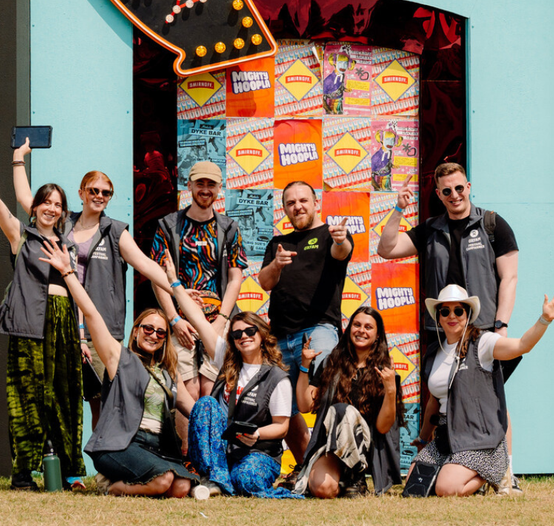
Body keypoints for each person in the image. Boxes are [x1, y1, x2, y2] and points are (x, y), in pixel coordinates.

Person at [376, 163, 521, 492]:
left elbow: (509, 278)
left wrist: (501, 325)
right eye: (446, 191)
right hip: (440, 331)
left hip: (483, 329)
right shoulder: (429, 229)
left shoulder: (493, 225)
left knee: (495, 400)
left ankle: (506, 474)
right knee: (440, 396)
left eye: (459, 188)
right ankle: (447, 456)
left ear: (468, 186)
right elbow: (386, 249)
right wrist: (398, 210)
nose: (454, 195)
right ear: (438, 195)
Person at [12, 139, 175, 427]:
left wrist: (178, 287)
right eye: (94, 191)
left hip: (102, 328)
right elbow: (28, 200)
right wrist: (18, 160)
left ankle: (104, 467)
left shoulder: (114, 231)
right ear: (82, 193)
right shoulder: (63, 223)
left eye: (106, 193)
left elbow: (146, 265)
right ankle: (65, 468)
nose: (99, 196)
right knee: (64, 398)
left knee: (104, 400)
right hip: (63, 322)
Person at [38, 238, 204, 497]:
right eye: (148, 328)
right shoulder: (120, 358)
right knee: (164, 481)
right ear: (136, 331)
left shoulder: (168, 373)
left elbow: (195, 411)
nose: (153, 335)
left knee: (182, 486)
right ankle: (113, 486)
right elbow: (91, 314)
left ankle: (139, 483)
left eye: (160, 333)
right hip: (120, 445)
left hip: (156, 448)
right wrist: (68, 273)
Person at [0, 131, 82, 491]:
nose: (51, 207)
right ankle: (23, 473)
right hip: (31, 325)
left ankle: (67, 471)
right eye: (45, 202)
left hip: (64, 327)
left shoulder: (69, 245)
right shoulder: (21, 235)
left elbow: (76, 294)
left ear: (63, 212)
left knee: (66, 397)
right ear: (35, 207)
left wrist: (81, 335)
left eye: (58, 204)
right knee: (28, 397)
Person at [408, 284, 554, 497]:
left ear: (467, 314)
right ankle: (459, 471)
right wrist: (422, 439)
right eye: (445, 311)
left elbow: (522, 345)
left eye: (458, 310)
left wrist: (545, 320)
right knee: (415, 487)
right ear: (438, 316)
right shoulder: (433, 353)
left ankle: (493, 472)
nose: (452, 316)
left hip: (477, 437)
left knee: (446, 489)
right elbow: (434, 400)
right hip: (445, 437)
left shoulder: (483, 343)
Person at [163, 255, 298, 498]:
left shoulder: (277, 377)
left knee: (246, 480)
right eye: (237, 334)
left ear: (262, 335)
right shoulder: (226, 359)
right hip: (223, 451)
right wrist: (174, 283)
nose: (243, 336)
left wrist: (256, 434)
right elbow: (197, 318)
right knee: (205, 404)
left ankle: (220, 481)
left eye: (250, 331)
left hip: (259, 453)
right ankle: (213, 476)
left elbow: (282, 426)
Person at [151, 161, 247, 450]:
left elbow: (235, 276)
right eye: (200, 183)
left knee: (213, 389)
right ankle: (187, 459)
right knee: (186, 391)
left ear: (219, 188)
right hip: (181, 319)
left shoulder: (229, 228)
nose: (205, 190)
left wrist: (222, 319)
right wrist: (174, 319)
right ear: (189, 186)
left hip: (218, 319)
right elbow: (157, 276)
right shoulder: (168, 225)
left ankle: (213, 456)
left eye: (211, 184)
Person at [258, 181, 353, 463]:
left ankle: (336, 466)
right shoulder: (277, 243)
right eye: (290, 202)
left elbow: (342, 251)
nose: (297, 206)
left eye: (303, 200)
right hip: (278, 337)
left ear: (315, 203)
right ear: (284, 208)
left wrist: (339, 240)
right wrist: (276, 264)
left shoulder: (330, 235)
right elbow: (264, 282)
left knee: (324, 397)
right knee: (282, 407)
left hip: (318, 330)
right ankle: (307, 468)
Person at [293, 307, 402, 498]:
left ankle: (356, 474)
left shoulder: (386, 372)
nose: (361, 330)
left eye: (368, 327)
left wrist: (391, 389)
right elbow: (304, 406)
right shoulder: (331, 363)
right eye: (357, 325)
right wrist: (304, 366)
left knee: (343, 410)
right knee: (322, 489)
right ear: (349, 328)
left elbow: (383, 428)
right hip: (332, 446)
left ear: (377, 336)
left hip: (368, 448)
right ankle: (347, 480)